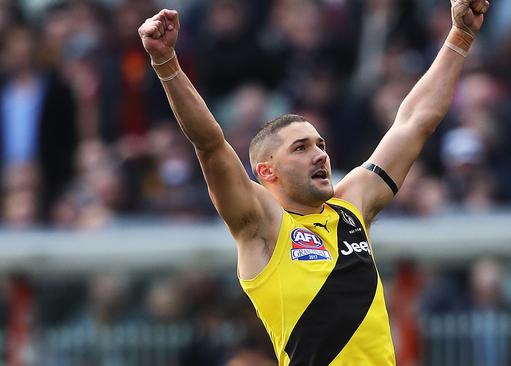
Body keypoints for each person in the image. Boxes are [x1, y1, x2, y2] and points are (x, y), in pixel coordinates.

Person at [137, 1, 490, 364]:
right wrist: (166, 64)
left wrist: (460, 36)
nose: (320, 155)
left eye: (320, 145)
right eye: (301, 148)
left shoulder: (351, 205)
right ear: (266, 171)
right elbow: (210, 144)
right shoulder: (262, 227)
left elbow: (413, 122)